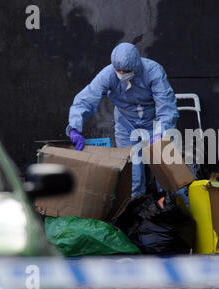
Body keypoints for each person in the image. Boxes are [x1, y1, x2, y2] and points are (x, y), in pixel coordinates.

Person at [66, 43, 179, 198]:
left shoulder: (153, 71)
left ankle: (170, 211)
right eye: (118, 70)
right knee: (133, 178)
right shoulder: (108, 75)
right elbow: (85, 99)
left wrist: (161, 133)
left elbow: (166, 106)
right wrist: (74, 128)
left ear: (136, 66)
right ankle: (137, 215)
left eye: (126, 71)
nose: (121, 74)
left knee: (167, 176)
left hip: (154, 125)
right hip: (127, 127)